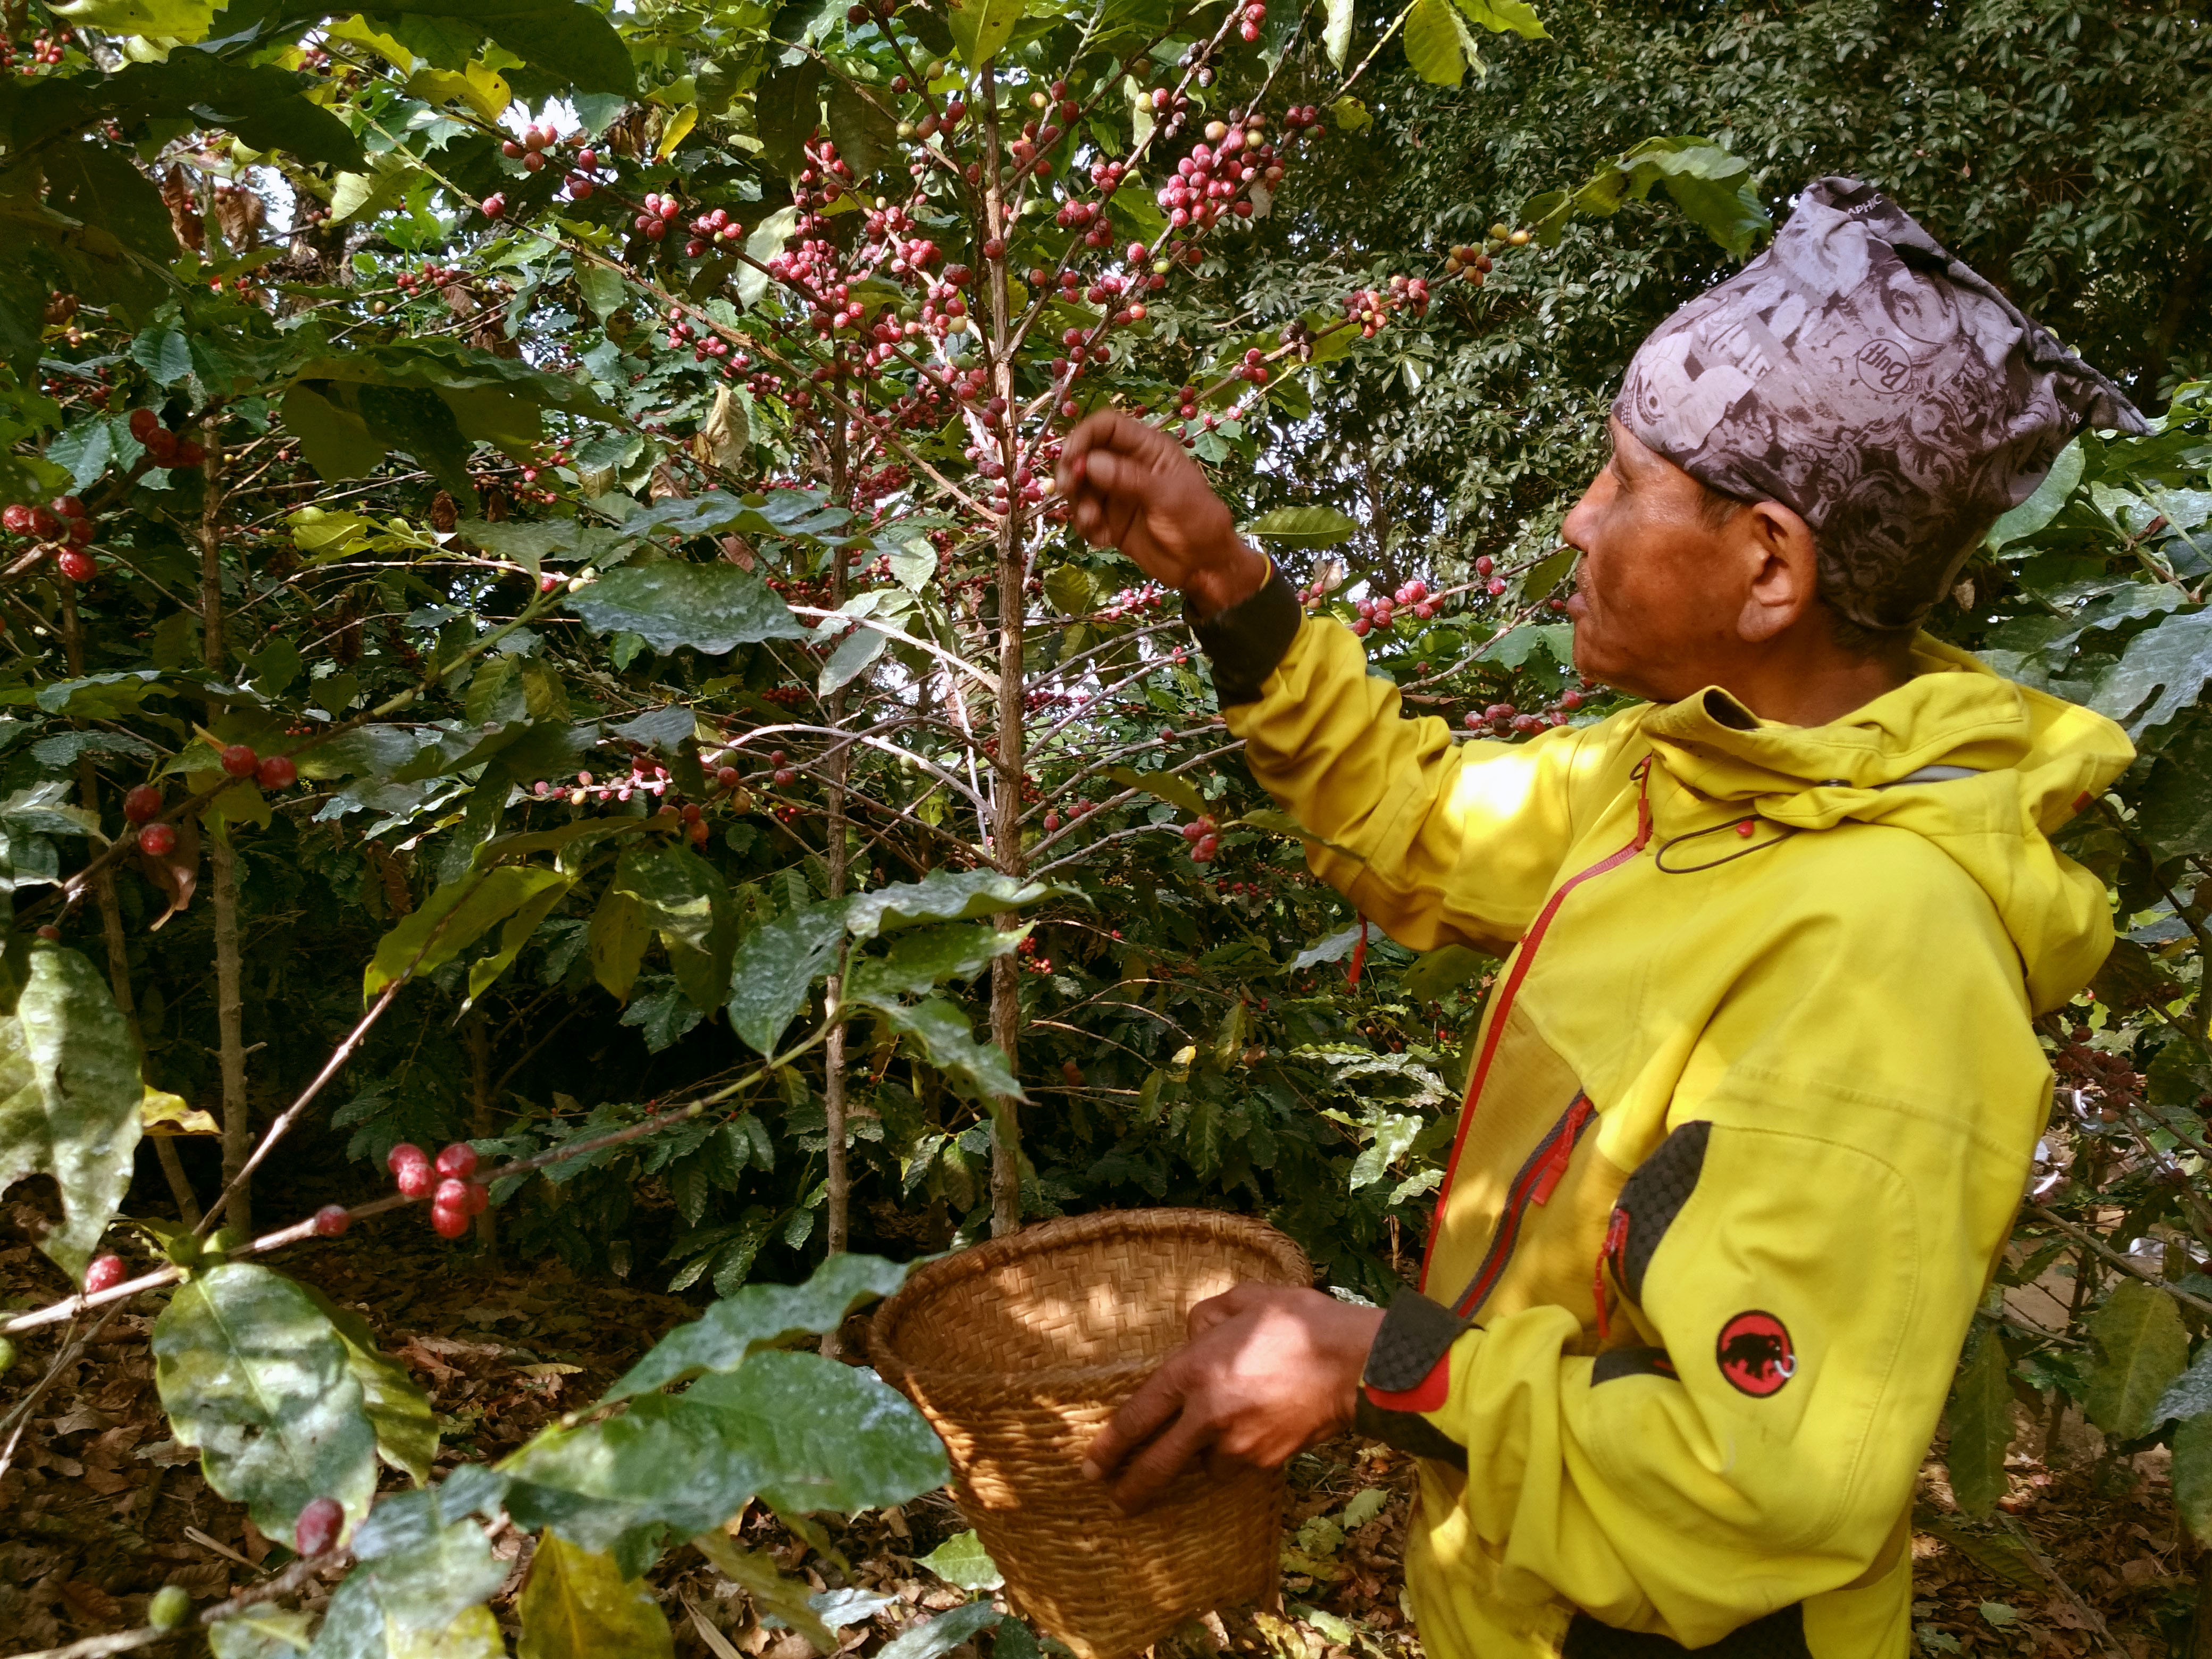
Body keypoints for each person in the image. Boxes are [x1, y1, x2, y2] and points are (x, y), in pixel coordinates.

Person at [1058, 177, 2149, 1659]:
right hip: (1530, 1601)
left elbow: (1758, 1484)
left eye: (1627, 481)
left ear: (1771, 565)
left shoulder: (1888, 947)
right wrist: (1223, 579)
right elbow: (1420, 822)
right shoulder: (1679, 777)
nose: (1580, 519)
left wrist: (1387, 1364)